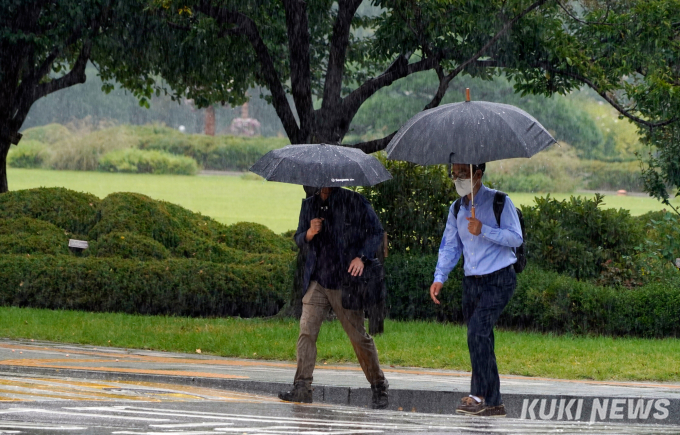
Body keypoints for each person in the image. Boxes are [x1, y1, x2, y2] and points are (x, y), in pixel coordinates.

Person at [278, 186, 389, 409]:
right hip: (317, 281)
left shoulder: (354, 201)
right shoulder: (309, 204)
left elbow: (376, 233)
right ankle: (302, 387)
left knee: (358, 337)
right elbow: (299, 238)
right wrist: (309, 233)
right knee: (306, 332)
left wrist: (362, 257)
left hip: (345, 282)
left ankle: (379, 386)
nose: (324, 184)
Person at [430, 163, 522, 417]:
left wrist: (484, 230)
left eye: (463, 173)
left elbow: (516, 237)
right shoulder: (457, 207)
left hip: (499, 278)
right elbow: (450, 245)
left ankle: (478, 394)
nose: (457, 178)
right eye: (454, 173)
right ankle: (494, 402)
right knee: (481, 338)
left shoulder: (500, 202)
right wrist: (440, 276)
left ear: (478, 174)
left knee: (477, 332)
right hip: (472, 281)